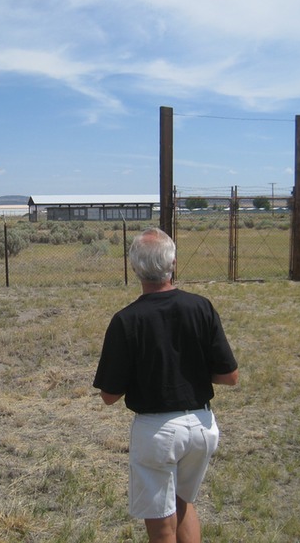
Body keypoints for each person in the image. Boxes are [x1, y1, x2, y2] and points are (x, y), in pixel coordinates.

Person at [93, 227, 239, 543]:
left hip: (157, 433)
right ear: (172, 264)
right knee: (184, 503)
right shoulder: (201, 307)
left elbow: (109, 395)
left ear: (134, 269)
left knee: (160, 523)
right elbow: (230, 376)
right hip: (202, 427)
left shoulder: (126, 320)